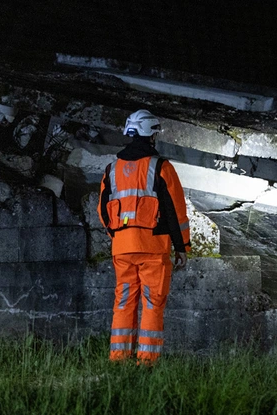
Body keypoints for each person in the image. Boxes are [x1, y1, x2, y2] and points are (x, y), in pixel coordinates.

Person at [98, 109, 190, 364]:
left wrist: (118, 237)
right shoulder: (161, 167)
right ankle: (146, 363)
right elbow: (176, 211)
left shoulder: (112, 169)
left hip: (122, 249)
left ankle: (118, 358)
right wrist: (182, 247)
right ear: (151, 134)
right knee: (151, 303)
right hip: (153, 248)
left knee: (124, 302)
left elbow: (103, 211)